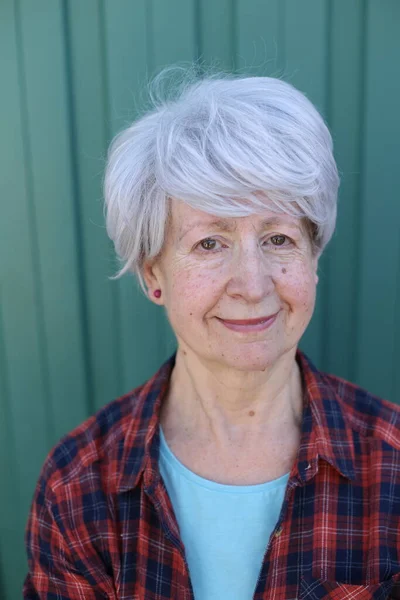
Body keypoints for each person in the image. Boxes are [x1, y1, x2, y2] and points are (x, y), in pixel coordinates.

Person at [24, 67, 400, 600]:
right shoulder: (80, 483)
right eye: (209, 244)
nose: (252, 284)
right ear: (153, 273)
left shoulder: (393, 464)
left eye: (278, 238)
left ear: (313, 258)